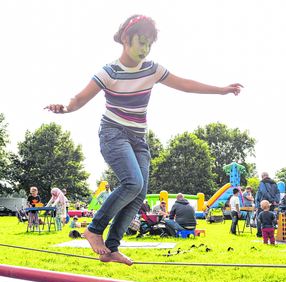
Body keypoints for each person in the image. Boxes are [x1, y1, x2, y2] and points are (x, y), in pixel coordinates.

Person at [44, 14, 243, 265]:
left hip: (139, 140)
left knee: (138, 194)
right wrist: (64, 108)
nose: (145, 49)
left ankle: (112, 247)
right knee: (132, 182)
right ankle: (94, 229)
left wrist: (221, 89)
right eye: (141, 42)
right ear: (126, 39)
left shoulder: (152, 70)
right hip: (113, 133)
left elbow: (185, 84)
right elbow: (80, 98)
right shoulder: (109, 72)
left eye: (149, 44)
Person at [255, 172, 280, 237]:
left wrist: (271, 200)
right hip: (272, 204)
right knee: (271, 219)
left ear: (262, 176)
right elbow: (278, 192)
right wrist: (275, 201)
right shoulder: (274, 183)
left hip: (264, 203)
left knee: (260, 218)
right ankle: (270, 234)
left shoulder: (262, 182)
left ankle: (260, 234)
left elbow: (264, 192)